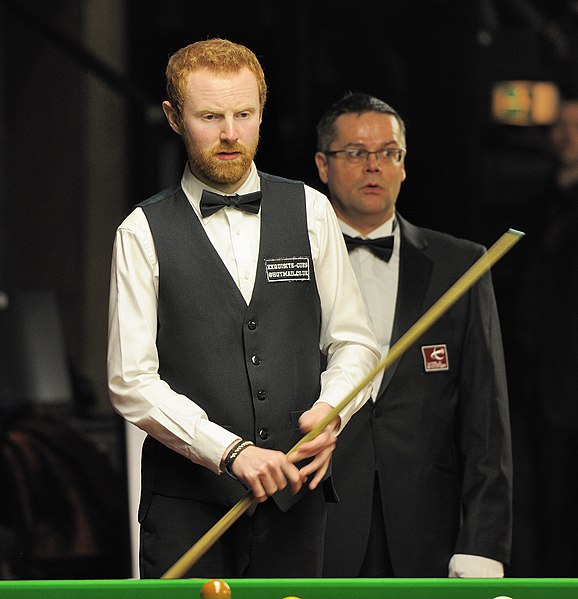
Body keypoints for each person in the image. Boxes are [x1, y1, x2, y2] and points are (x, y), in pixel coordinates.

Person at [106, 40, 379, 579]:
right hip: (186, 511)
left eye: (244, 114)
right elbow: (130, 379)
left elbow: (356, 341)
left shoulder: (311, 210)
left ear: (261, 113)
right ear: (173, 117)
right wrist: (230, 452)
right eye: (210, 116)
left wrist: (333, 411)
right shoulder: (141, 231)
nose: (231, 133)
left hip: (293, 501)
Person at [314, 92, 513, 578]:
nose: (374, 166)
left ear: (404, 164)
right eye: (356, 153)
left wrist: (484, 541)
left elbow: (487, 416)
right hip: (315, 522)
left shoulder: (460, 265)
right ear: (323, 165)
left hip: (425, 526)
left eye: (389, 153)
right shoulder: (289, 263)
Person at [512, 95, 578, 577]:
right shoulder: (543, 199)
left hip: (568, 378)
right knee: (542, 501)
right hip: (536, 377)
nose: (568, 135)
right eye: (565, 126)